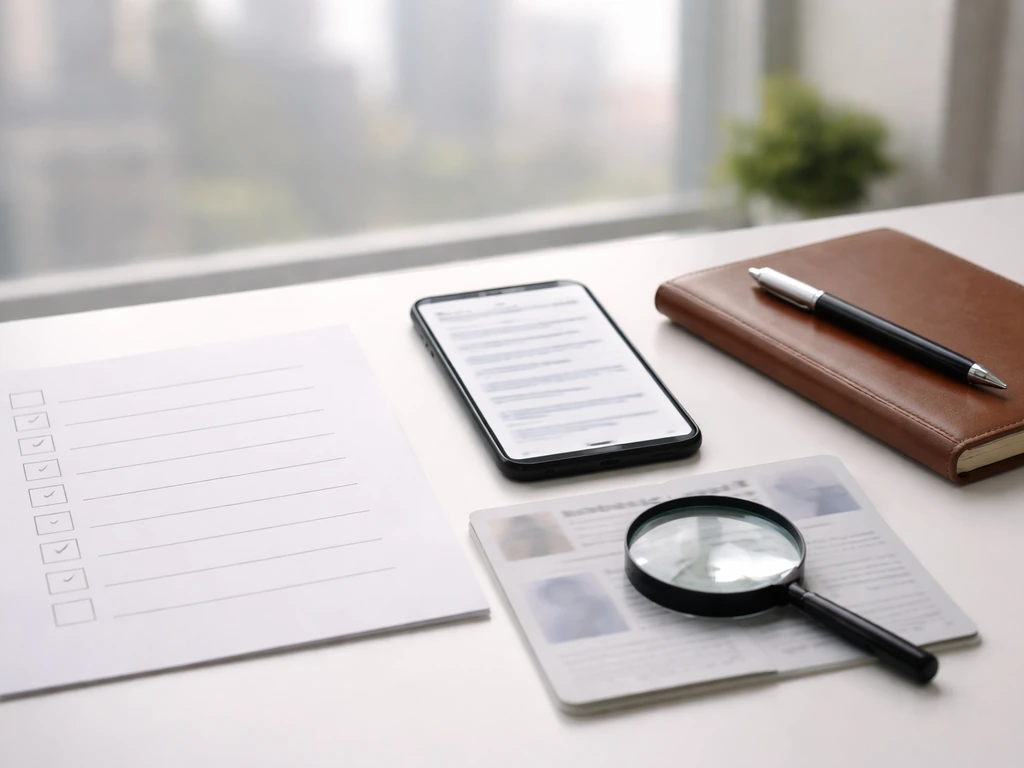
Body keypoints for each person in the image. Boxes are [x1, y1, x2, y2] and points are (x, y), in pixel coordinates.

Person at [534, 575, 627, 643]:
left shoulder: (610, 604)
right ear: (554, 601)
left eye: (565, 590)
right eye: (556, 595)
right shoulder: (559, 626)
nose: (564, 596)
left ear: (576, 587)